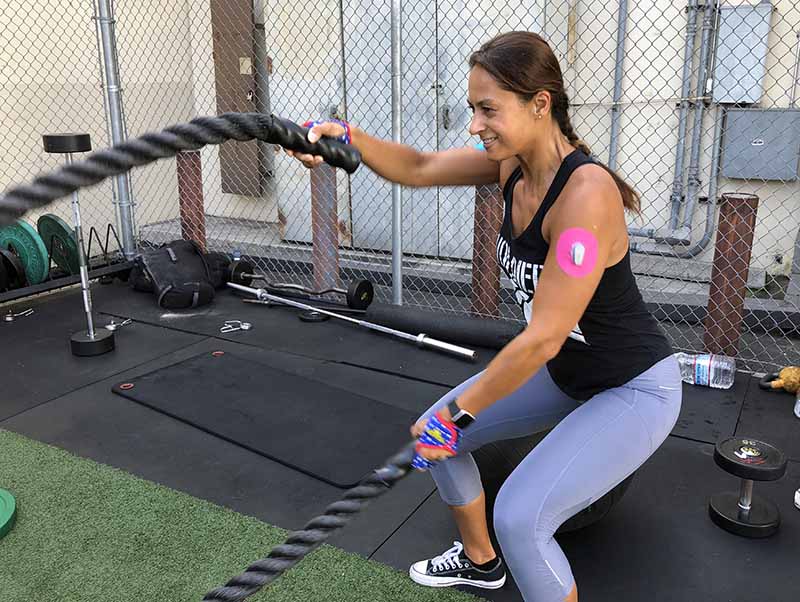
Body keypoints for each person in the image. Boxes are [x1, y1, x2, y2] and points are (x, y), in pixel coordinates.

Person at [287, 30, 681, 602]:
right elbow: (419, 166)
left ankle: (500, 545)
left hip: (632, 388)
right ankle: (479, 562)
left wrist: (459, 413)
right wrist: (342, 137)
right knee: (436, 435)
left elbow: (543, 336)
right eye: (473, 108)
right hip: (568, 373)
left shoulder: (586, 195)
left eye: (488, 109)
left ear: (540, 103)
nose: (475, 124)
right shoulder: (511, 167)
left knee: (521, 517)